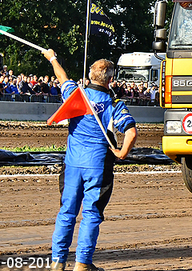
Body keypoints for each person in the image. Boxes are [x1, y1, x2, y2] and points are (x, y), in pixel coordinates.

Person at [43, 49, 137, 271]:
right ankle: (83, 263)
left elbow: (62, 77)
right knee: (91, 213)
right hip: (98, 165)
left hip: (72, 164)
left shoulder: (76, 95)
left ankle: (58, 261)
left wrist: (52, 58)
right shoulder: (114, 104)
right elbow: (131, 132)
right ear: (111, 80)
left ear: (89, 76)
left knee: (67, 211)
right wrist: (122, 153)